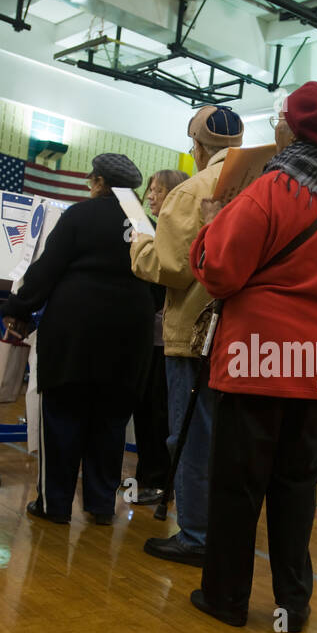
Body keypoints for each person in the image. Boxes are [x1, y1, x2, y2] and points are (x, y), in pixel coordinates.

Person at [187, 80, 317, 631]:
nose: (275, 124)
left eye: (281, 116)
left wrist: (208, 227)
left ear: (293, 129)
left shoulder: (271, 189)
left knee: (238, 488)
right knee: (297, 492)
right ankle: (291, 606)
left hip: (257, 364)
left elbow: (221, 272)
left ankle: (226, 599)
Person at [2, 153, 153, 527]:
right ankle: (101, 505)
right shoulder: (145, 223)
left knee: (63, 416)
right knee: (111, 420)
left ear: (99, 182)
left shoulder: (79, 215)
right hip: (130, 335)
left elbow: (48, 269)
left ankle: (54, 505)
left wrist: (19, 308)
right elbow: (159, 280)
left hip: (75, 331)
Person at [130, 105, 244, 566]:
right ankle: (221, 532)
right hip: (240, 336)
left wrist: (138, 245)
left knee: (191, 438)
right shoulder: (259, 187)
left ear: (197, 148)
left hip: (193, 333)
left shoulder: (192, 191)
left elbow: (172, 269)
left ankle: (196, 535)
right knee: (226, 440)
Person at [130, 170, 187, 506]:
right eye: (150, 190)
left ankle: (158, 481)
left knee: (159, 416)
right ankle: (146, 477)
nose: (151, 196)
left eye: (159, 190)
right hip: (151, 340)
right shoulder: (151, 230)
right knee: (146, 413)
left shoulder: (173, 233)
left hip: (170, 341)